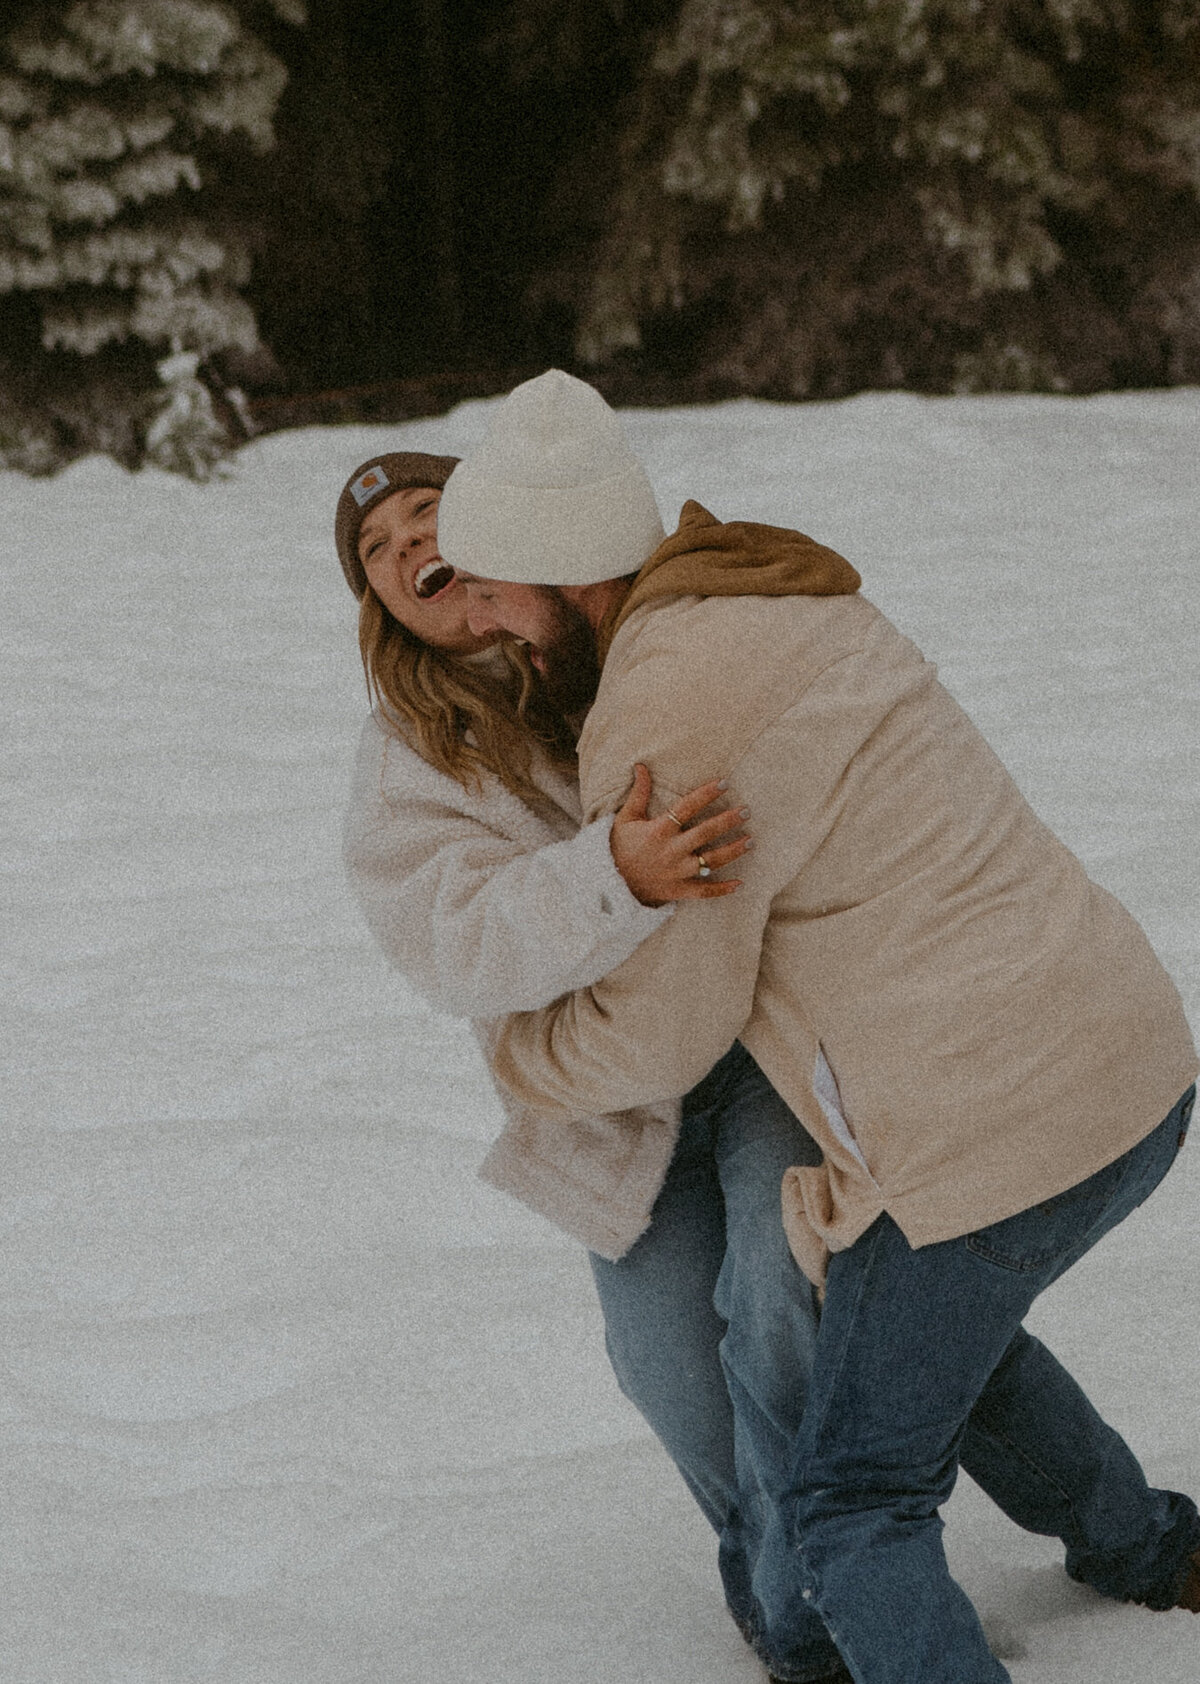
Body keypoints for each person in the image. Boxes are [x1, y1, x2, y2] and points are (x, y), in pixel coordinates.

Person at [434, 369, 1200, 1684]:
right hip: (1122, 1058)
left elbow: (671, 1033)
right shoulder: (761, 590)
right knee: (921, 1345)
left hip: (990, 1124)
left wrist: (524, 1055)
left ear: (568, 571)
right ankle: (1155, 1553)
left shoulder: (667, 707)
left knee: (854, 1502)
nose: (487, 624)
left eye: (499, 588)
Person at [334, 451, 850, 1683]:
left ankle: (808, 1624)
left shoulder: (607, 625)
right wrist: (611, 875)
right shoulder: (410, 757)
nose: (412, 544)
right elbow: (455, 942)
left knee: (781, 1297)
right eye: (378, 550)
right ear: (382, 605)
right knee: (669, 1365)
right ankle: (793, 1573)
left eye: (430, 514)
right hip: (612, 1099)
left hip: (757, 1039)